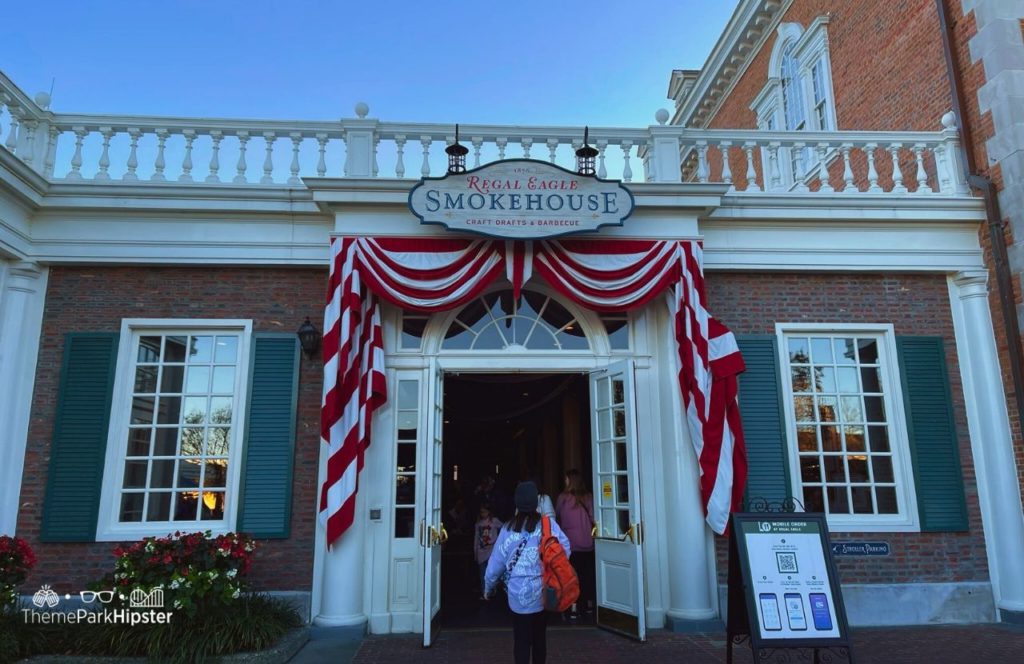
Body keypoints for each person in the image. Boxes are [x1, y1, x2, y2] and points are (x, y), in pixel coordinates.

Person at [484, 481, 571, 664]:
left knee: (521, 640)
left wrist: (488, 587)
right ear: (536, 503)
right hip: (543, 592)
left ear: (516, 503)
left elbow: (495, 564)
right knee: (540, 638)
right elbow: (566, 548)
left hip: (517, 596)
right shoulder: (548, 526)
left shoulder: (507, 528)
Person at [555, 469, 595, 622]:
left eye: (566, 479)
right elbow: (594, 517)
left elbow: (557, 516)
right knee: (587, 575)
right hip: (587, 542)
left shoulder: (563, 498)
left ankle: (573, 607)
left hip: (570, 545)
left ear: (570, 481)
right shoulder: (589, 497)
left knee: (571, 576)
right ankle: (590, 604)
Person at [473, 503, 503, 599]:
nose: (483, 514)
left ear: (489, 512)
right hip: (481, 551)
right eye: (481, 512)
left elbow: (504, 528)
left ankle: (493, 590)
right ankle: (485, 592)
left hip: (492, 551)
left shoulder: (494, 521)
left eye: (484, 512)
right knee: (482, 573)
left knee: (492, 572)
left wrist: (498, 541)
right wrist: (475, 552)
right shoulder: (478, 523)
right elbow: (476, 538)